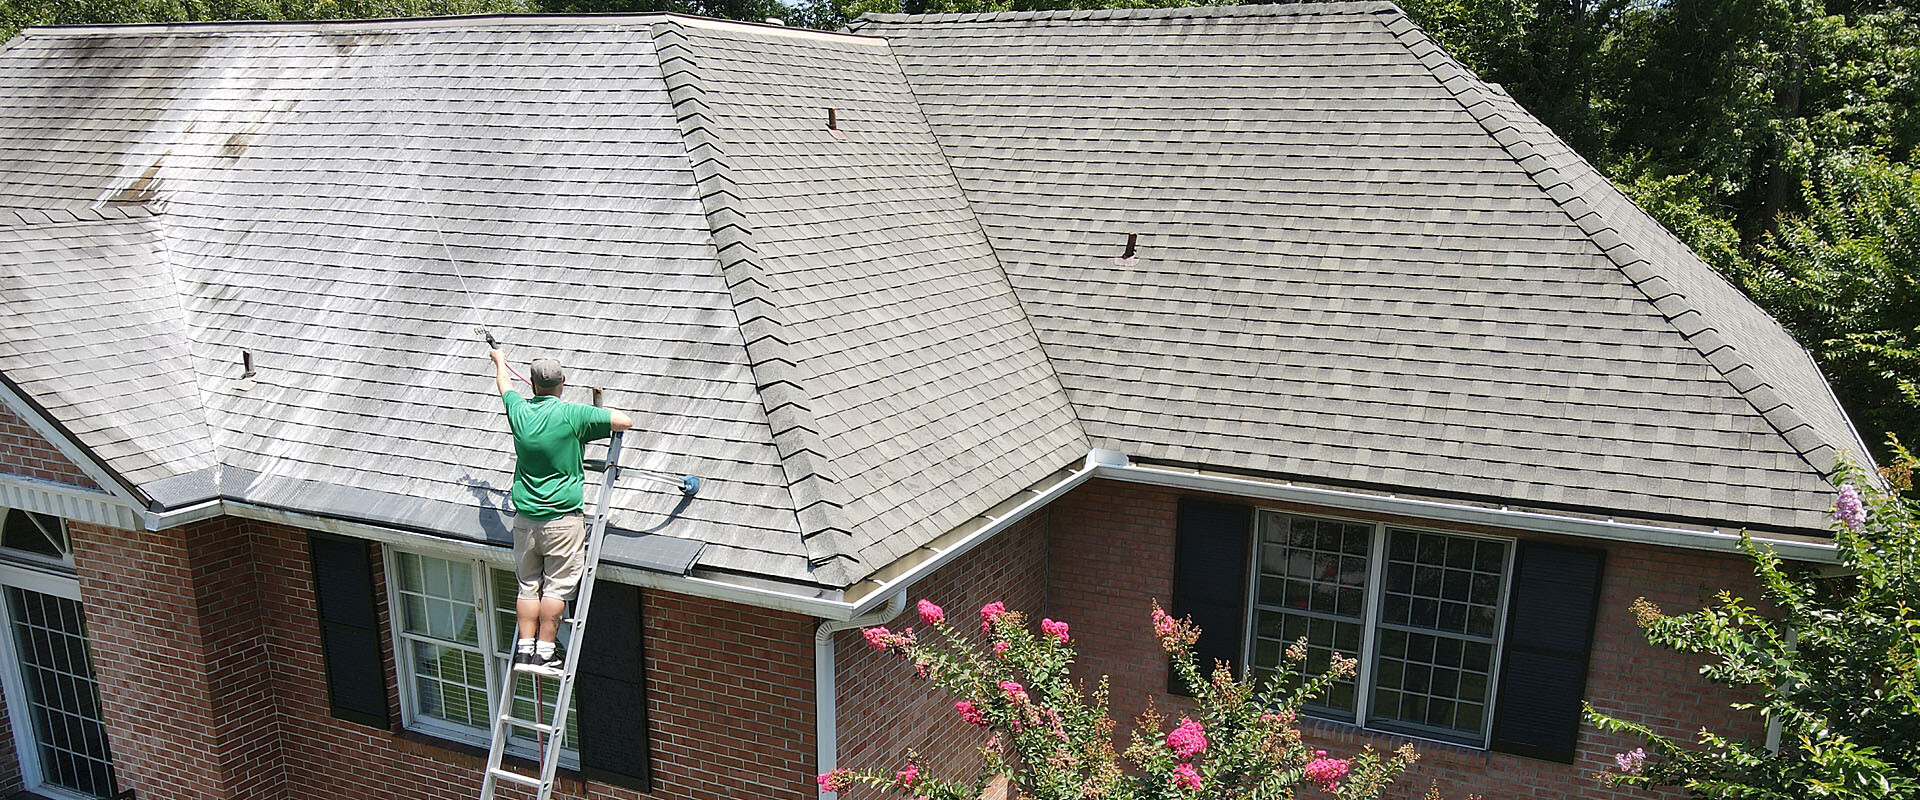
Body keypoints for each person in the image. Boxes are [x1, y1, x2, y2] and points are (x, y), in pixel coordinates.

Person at [489, 348, 632, 673]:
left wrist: (499, 361)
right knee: (556, 587)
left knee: (528, 586)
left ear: (533, 384)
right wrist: (593, 414)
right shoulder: (572, 415)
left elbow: (504, 387)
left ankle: (524, 652)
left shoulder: (520, 412)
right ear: (562, 381)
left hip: (525, 522)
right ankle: (545, 653)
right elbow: (623, 421)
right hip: (562, 522)